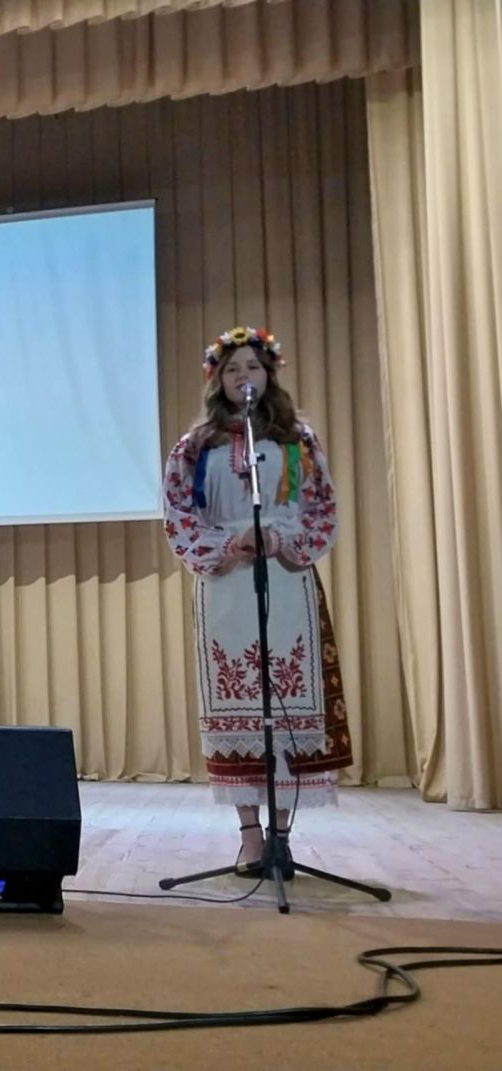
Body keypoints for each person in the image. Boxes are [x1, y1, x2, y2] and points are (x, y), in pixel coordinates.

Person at [162, 327, 352, 876]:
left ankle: (282, 838)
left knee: (289, 701)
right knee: (237, 702)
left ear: (269, 374)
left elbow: (322, 507)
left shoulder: (299, 440)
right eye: (232, 369)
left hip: (286, 577)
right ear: (217, 380)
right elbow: (177, 512)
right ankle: (249, 835)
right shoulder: (195, 446)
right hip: (226, 583)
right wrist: (226, 544)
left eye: (252, 367)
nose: (243, 376)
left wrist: (286, 542)